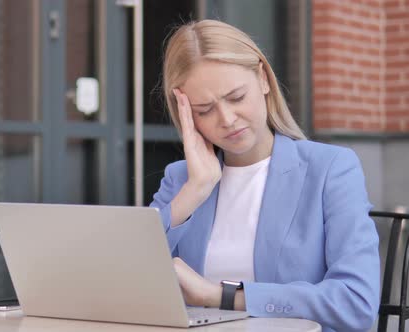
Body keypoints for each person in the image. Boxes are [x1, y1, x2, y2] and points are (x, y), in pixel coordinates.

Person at [150, 19, 380, 332]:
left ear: (262, 78)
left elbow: (357, 302)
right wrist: (195, 190)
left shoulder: (330, 169)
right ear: (187, 115)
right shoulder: (180, 181)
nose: (227, 119)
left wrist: (222, 295)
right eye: (205, 110)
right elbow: (123, 278)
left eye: (236, 97)